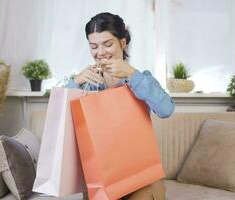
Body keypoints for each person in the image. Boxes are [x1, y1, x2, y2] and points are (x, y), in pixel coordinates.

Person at [65, 12, 174, 199]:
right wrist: (76, 81)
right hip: (101, 178)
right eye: (93, 46)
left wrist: (132, 74)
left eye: (107, 44)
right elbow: (62, 119)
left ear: (122, 43)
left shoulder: (141, 78)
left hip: (140, 177)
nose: (100, 53)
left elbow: (166, 109)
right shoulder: (87, 84)